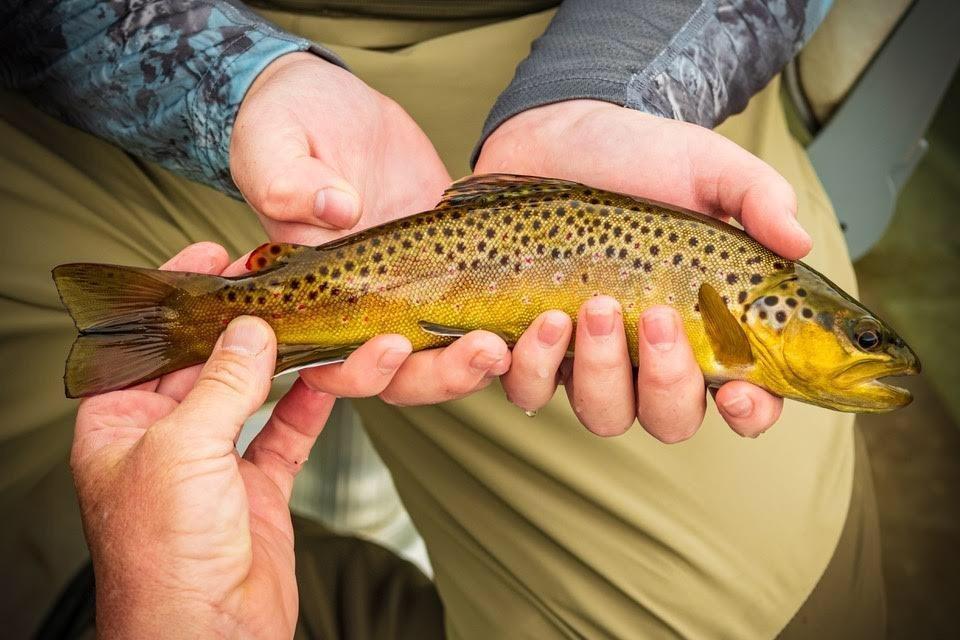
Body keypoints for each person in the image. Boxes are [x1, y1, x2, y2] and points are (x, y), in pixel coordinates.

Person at [1, 1, 884, 637]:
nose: (873, 354)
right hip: (120, 63)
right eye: (862, 340)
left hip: (615, 58)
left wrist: (609, 88)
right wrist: (237, 81)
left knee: (759, 612)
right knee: (46, 551)